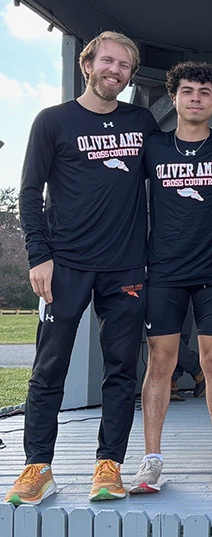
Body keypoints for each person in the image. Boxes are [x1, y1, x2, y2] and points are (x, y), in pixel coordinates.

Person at [7, 31, 158, 506]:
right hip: (64, 266)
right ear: (87, 65)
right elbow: (29, 192)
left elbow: (183, 158)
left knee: (121, 369)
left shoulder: (142, 121)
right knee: (48, 369)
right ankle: (37, 467)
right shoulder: (52, 121)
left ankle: (107, 465)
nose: (115, 71)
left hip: (126, 267)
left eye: (125, 66)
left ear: (130, 75)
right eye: (108, 61)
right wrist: (39, 256)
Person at [128, 61, 212, 494]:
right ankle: (151, 461)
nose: (195, 97)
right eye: (187, 91)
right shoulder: (153, 147)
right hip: (163, 271)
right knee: (161, 362)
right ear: (174, 97)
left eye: (203, 92)